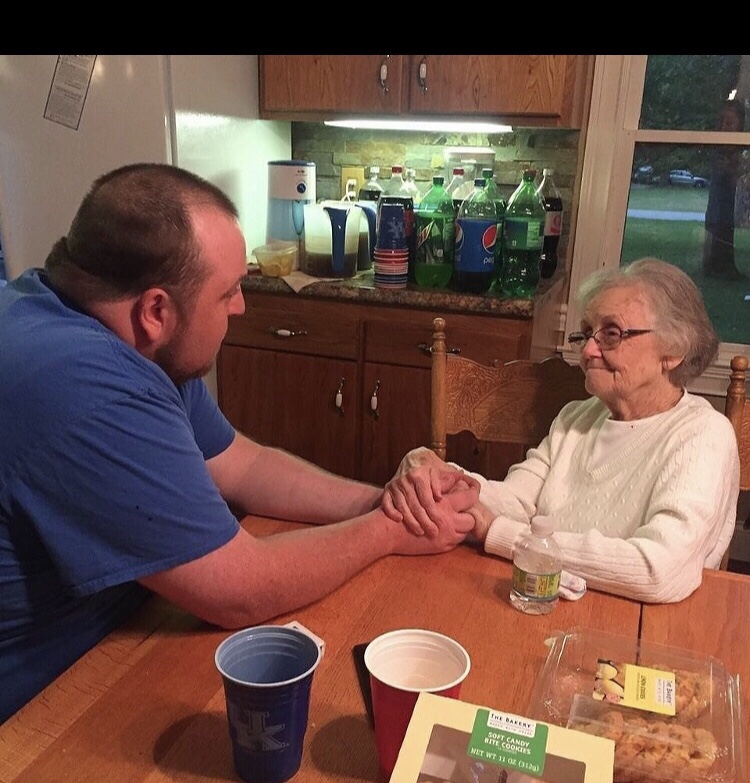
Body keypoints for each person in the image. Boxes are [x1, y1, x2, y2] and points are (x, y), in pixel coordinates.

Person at [0, 163, 480, 722]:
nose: (241, 306)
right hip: (43, 706)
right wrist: (392, 529)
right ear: (156, 310)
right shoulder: (91, 386)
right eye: (228, 291)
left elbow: (241, 464)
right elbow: (239, 589)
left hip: (123, 633)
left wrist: (387, 499)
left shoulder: (94, 323)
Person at [383, 258, 740, 604]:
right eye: (586, 334)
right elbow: (516, 501)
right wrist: (440, 475)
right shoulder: (576, 418)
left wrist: (500, 533)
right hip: (540, 600)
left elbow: (659, 569)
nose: (588, 350)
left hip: (636, 625)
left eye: (611, 334)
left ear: (674, 350)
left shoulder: (703, 435)